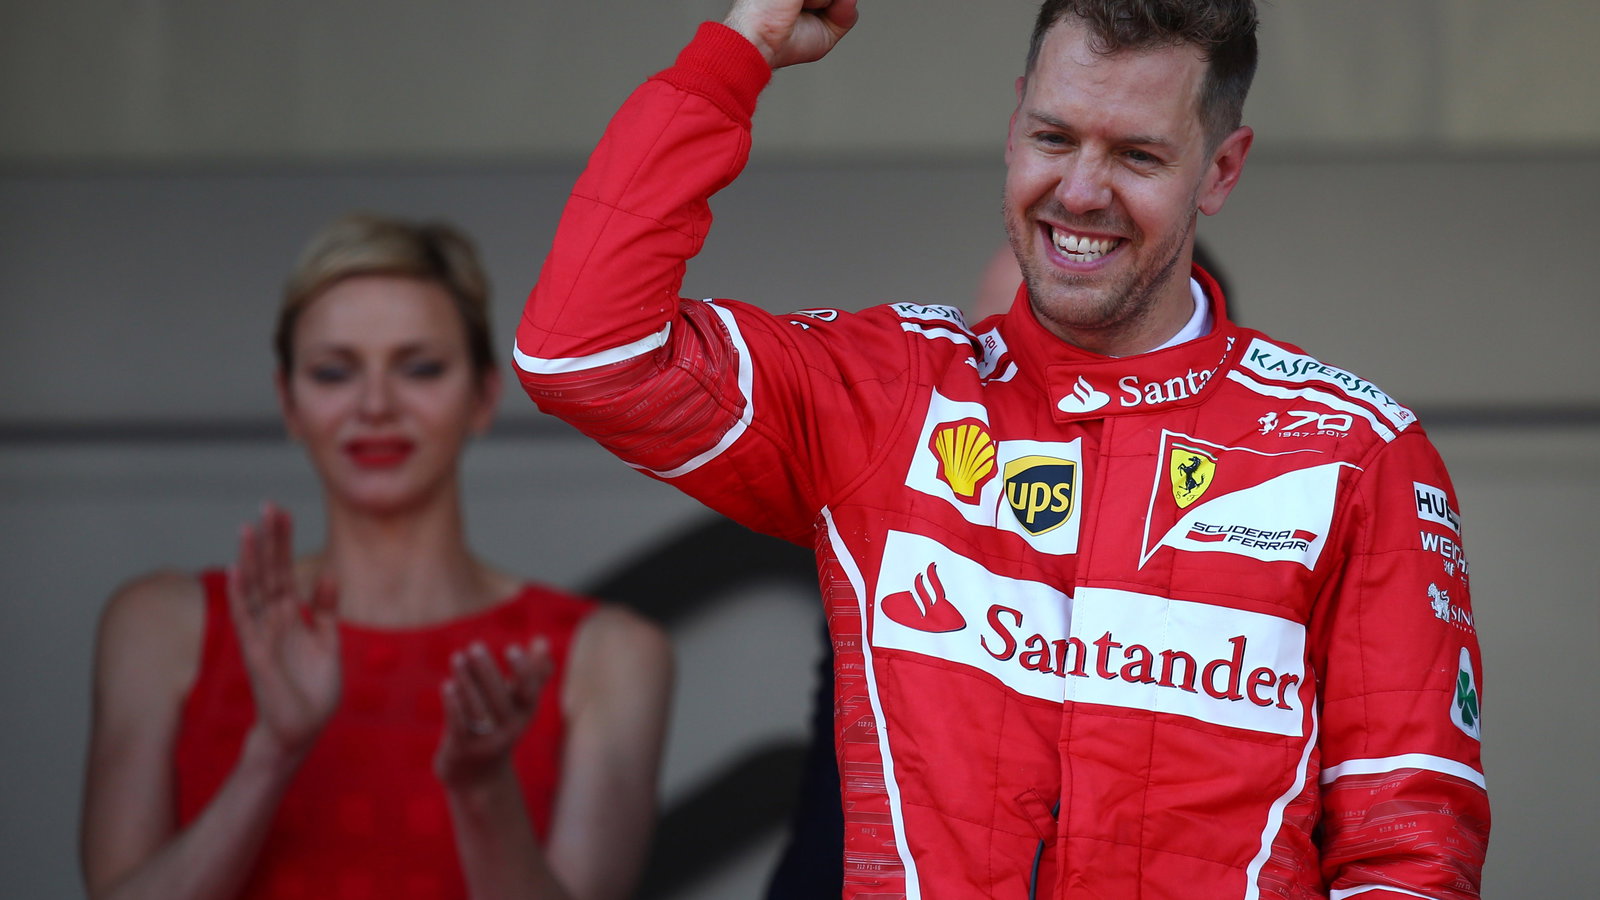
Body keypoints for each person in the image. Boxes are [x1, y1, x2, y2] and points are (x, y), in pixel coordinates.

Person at [514, 1, 1489, 897]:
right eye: (1052, 137)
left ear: (1220, 169)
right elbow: (583, 352)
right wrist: (742, 48)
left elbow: (1406, 852)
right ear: (1014, 116)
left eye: (1137, 156)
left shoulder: (1354, 452)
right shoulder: (887, 394)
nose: (1078, 191)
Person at [80, 214, 673, 900]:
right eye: (334, 372)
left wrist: (483, 791)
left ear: (484, 396)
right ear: (289, 403)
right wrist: (271, 754)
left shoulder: (610, 654)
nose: (375, 405)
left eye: (420, 368)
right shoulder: (161, 625)